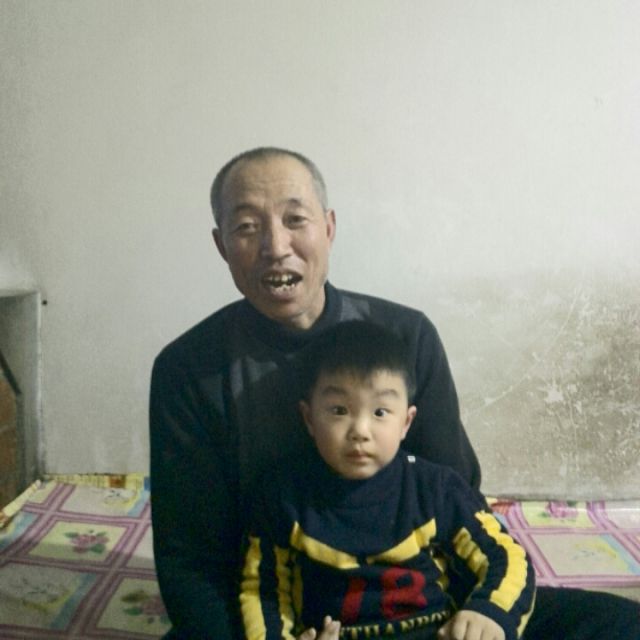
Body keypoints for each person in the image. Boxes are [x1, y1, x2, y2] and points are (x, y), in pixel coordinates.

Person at [149, 146, 640, 640]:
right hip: (281, 611)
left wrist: (479, 615)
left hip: (426, 604)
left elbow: (459, 497)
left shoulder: (405, 338)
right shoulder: (187, 370)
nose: (276, 246)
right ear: (221, 245)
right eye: (247, 227)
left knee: (620, 625)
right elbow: (190, 561)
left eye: (295, 219)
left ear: (329, 227)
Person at [239, 320, 536, 640]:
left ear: (406, 422)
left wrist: (489, 612)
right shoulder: (282, 497)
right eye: (339, 410)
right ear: (309, 418)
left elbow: (506, 556)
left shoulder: (435, 488)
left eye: (380, 412)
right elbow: (262, 591)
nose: (360, 431)